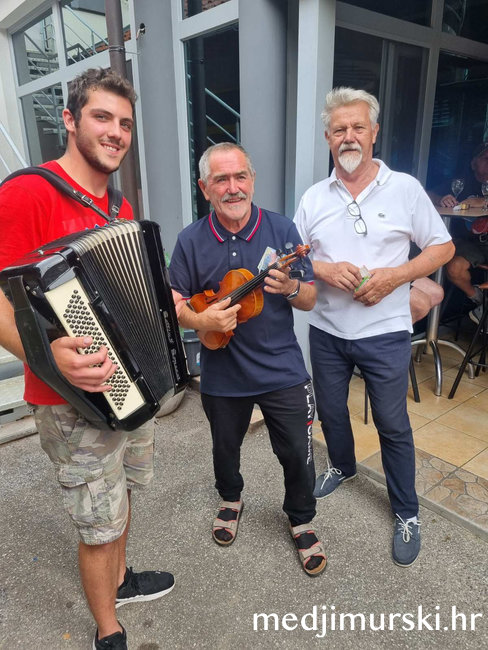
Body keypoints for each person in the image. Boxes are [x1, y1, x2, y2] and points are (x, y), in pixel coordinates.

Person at [0, 68, 182, 650]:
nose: (116, 132)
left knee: (123, 495)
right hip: (69, 400)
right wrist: (46, 355)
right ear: (71, 120)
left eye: (125, 122)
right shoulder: (28, 192)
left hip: (130, 385)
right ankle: (108, 630)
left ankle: (122, 582)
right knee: (98, 522)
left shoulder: (118, 206)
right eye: (102, 117)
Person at [294, 87, 454, 568]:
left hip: (385, 331)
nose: (349, 136)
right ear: (328, 138)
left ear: (374, 133)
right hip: (327, 330)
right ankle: (342, 466)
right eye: (339, 129)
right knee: (332, 411)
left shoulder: (404, 188)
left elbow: (442, 247)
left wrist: (395, 277)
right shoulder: (314, 197)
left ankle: (406, 511)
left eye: (357, 127)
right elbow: (292, 257)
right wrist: (323, 269)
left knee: (391, 422)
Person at [169, 142, 326, 577]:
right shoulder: (190, 240)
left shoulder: (282, 229)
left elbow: (311, 298)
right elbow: (175, 301)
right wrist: (200, 319)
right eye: (221, 179)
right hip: (222, 370)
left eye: (240, 176)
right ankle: (230, 497)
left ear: (252, 180)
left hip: (281, 368)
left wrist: (290, 288)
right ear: (205, 188)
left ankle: (301, 517)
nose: (232, 187)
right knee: (225, 447)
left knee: (297, 451)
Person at [432, 143, 488, 325]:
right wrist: (441, 199)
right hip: (469, 243)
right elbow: (426, 194)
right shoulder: (461, 183)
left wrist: (481, 201)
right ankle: (480, 302)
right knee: (454, 268)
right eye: (485, 158)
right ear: (473, 163)